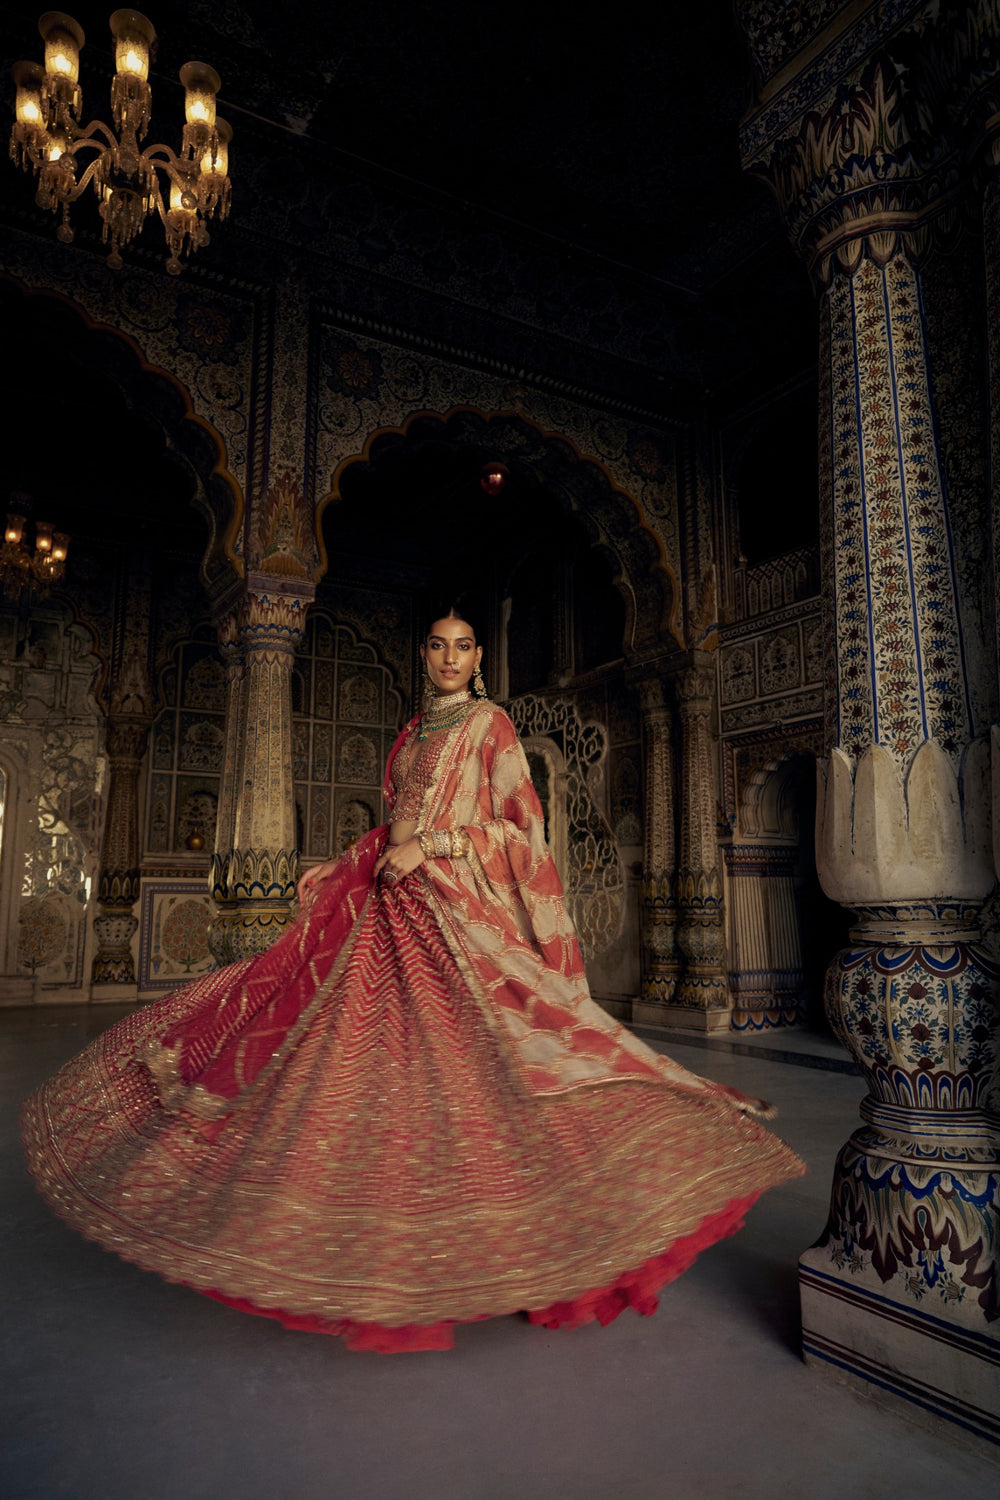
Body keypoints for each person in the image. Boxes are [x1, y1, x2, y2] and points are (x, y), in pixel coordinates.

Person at [22, 604, 804, 1352]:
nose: (449, 657)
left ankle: (544, 1234)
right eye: (437, 645)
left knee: (480, 1065)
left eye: (463, 645)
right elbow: (394, 822)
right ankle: (376, 1233)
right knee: (366, 1063)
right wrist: (351, 858)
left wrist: (432, 847)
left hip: (455, 917)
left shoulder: (489, 727)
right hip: (387, 905)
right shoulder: (410, 731)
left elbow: (521, 833)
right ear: (423, 655)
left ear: (479, 659)